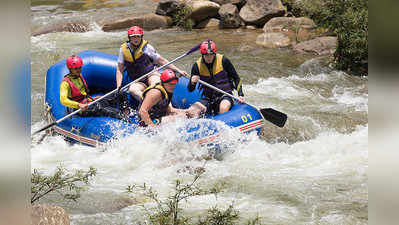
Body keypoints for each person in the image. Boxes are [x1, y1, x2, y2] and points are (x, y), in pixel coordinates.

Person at [115, 25, 188, 104]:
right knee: (132, 89)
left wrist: (178, 70)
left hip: (151, 74)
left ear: (141, 37)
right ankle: (150, 105)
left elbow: (162, 61)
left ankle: (164, 105)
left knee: (155, 85)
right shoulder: (123, 50)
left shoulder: (147, 48)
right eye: (133, 37)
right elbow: (120, 69)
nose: (136, 39)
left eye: (138, 36)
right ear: (129, 38)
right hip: (138, 80)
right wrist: (119, 86)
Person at [186, 40, 245, 118]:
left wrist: (240, 94)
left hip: (225, 95)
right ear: (202, 54)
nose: (209, 57)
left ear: (214, 53)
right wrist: (192, 82)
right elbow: (190, 89)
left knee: (223, 108)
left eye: (211, 54)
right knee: (191, 111)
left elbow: (236, 78)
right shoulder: (197, 66)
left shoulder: (224, 60)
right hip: (208, 98)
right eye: (206, 55)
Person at [60, 55, 129, 120]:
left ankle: (127, 114)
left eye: (80, 67)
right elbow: (63, 100)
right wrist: (78, 105)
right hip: (80, 109)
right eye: (75, 69)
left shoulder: (79, 76)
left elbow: (83, 94)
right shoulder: (65, 83)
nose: (79, 70)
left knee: (121, 93)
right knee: (113, 112)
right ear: (70, 69)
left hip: (89, 102)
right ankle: (126, 123)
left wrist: (91, 99)